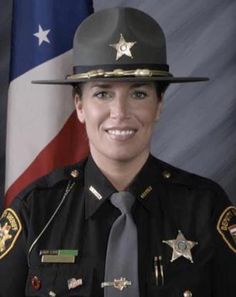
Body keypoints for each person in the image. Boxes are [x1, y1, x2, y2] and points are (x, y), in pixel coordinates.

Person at [0, 7, 235, 297]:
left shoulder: (206, 209)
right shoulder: (34, 211)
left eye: (138, 94)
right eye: (102, 93)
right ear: (80, 106)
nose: (120, 113)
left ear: (159, 104)